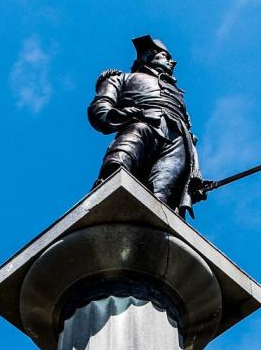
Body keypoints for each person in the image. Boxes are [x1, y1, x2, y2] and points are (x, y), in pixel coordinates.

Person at [88, 35, 205, 218]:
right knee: (119, 166)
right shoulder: (121, 78)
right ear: (148, 55)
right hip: (142, 126)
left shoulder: (178, 94)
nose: (172, 62)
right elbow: (100, 111)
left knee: (162, 202)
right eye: (165, 56)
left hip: (178, 140)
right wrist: (133, 114)